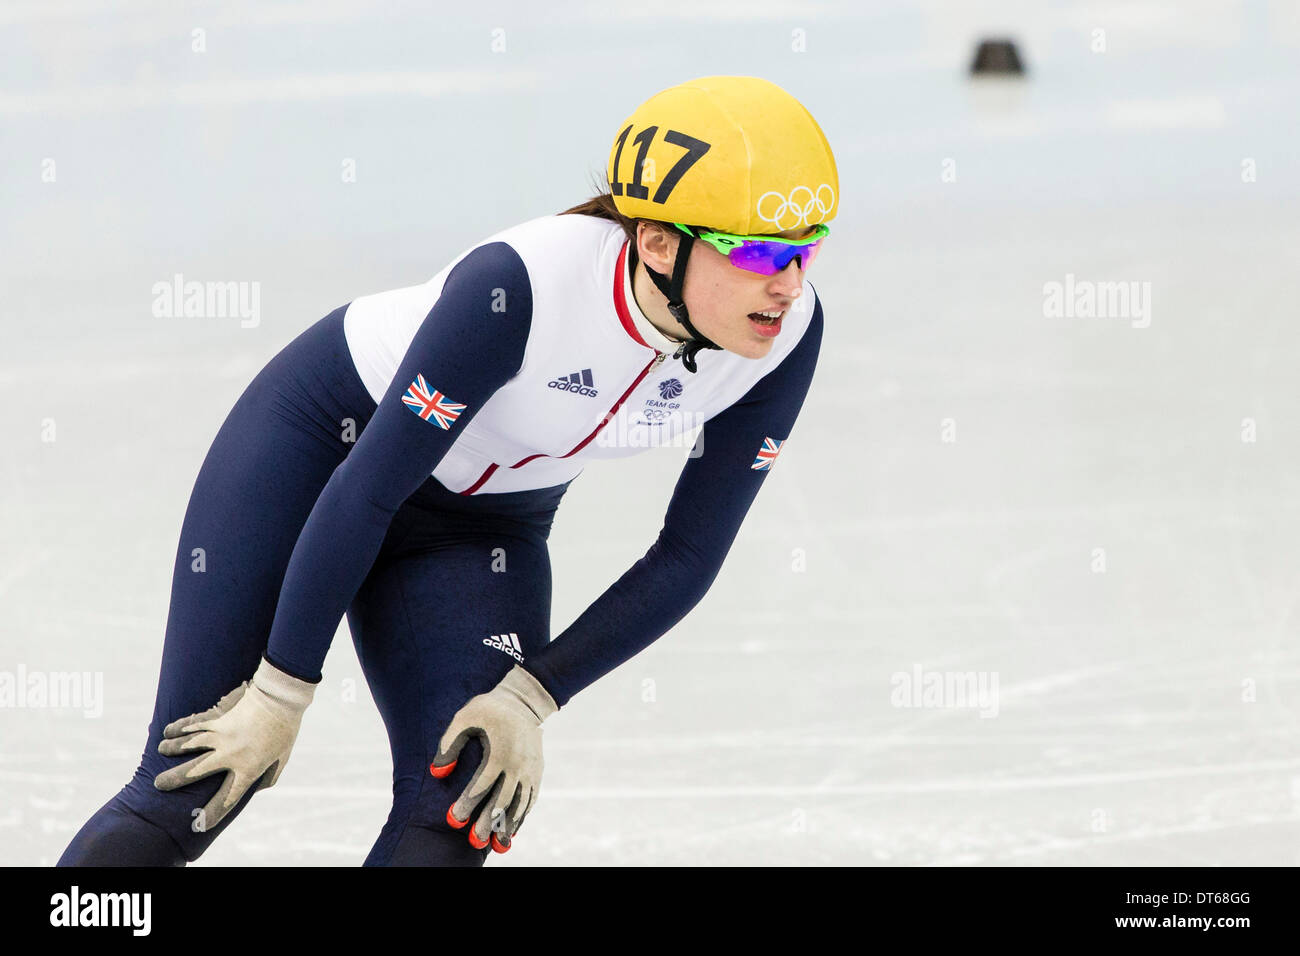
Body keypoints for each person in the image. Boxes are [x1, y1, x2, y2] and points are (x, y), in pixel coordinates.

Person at [57, 74, 838, 866]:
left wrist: (529, 697)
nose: (790, 281)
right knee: (194, 784)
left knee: (457, 808)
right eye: (762, 250)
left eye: (810, 246)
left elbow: (688, 557)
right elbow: (367, 489)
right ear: (658, 242)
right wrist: (281, 691)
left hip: (482, 530)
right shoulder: (519, 287)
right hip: (326, 450)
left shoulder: (785, 336)